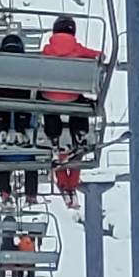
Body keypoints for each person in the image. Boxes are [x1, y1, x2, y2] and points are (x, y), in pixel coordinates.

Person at [39, 15, 100, 209]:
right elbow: (99, 55)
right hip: (72, 97)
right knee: (79, 105)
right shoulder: (78, 49)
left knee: (49, 107)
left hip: (49, 98)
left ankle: (54, 137)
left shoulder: (47, 50)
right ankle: (79, 133)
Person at [0, 33, 39, 206]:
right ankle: (30, 193)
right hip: (23, 118)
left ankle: (4, 191)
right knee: (31, 163)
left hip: (2, 113)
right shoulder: (28, 67)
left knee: (3, 162)